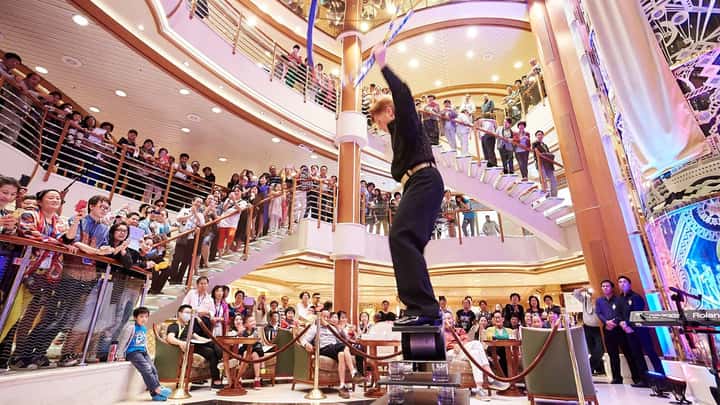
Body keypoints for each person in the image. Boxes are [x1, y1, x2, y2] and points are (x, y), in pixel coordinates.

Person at [369, 45, 444, 327]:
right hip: (418, 184)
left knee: (400, 236)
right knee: (408, 241)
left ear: (389, 111)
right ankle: (422, 307)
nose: (378, 126)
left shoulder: (406, 123)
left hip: (424, 180)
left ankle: (422, 307)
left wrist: (383, 65)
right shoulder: (398, 134)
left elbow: (403, 94)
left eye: (378, 120)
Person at [299, 310, 364, 399]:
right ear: (319, 317)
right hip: (324, 348)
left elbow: (340, 341)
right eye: (324, 316)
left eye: (327, 317)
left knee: (341, 354)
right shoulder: (315, 327)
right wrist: (306, 344)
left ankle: (342, 386)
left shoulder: (332, 328)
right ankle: (353, 372)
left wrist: (340, 330)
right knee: (344, 347)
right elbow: (303, 339)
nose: (325, 319)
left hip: (334, 348)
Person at [443, 312, 510, 393]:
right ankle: (491, 377)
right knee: (476, 343)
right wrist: (454, 346)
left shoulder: (460, 330)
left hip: (463, 350)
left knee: (475, 353)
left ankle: (479, 387)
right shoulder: (441, 332)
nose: (447, 320)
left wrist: (460, 345)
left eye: (449, 318)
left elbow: (466, 340)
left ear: (453, 320)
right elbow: (444, 344)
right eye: (445, 319)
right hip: (451, 353)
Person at [617, 275, 665, 386]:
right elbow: (618, 314)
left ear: (629, 284)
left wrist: (628, 324)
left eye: (624, 281)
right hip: (628, 332)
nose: (622, 284)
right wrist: (622, 324)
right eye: (620, 282)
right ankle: (644, 380)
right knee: (637, 355)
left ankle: (662, 381)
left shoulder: (636, 297)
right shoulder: (620, 299)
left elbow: (638, 313)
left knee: (651, 353)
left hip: (640, 330)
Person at [166, 305, 224, 388]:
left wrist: (209, 340)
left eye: (190, 313)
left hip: (195, 345)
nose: (189, 315)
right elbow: (170, 338)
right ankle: (223, 356)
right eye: (187, 313)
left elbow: (197, 337)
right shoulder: (174, 326)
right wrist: (180, 343)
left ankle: (216, 379)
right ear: (179, 313)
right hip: (186, 348)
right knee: (214, 349)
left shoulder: (187, 327)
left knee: (211, 351)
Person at [124, 307, 172, 401]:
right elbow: (123, 341)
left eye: (146, 317)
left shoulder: (144, 328)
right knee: (147, 369)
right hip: (133, 352)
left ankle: (155, 395)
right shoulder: (131, 328)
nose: (144, 319)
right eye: (141, 316)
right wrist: (119, 355)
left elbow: (144, 342)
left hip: (143, 352)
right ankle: (157, 389)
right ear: (135, 317)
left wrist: (148, 353)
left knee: (153, 369)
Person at [596, 279, 638, 384]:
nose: (605, 288)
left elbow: (621, 313)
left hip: (619, 328)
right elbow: (599, 313)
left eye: (607, 286)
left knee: (628, 353)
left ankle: (636, 377)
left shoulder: (619, 299)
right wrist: (606, 322)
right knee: (612, 354)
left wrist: (614, 322)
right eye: (603, 286)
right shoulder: (599, 300)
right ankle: (617, 378)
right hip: (607, 329)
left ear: (612, 288)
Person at [573, 286, 605, 376]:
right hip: (587, 327)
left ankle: (588, 368)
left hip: (598, 328)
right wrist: (584, 288)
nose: (591, 294)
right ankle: (600, 368)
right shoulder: (585, 300)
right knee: (592, 349)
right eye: (590, 292)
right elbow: (575, 293)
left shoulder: (600, 301)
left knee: (599, 349)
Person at [532, 130, 558, 197]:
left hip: (548, 164)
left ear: (543, 136)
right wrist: (544, 154)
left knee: (553, 179)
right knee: (543, 179)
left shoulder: (545, 145)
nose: (540, 136)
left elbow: (548, 153)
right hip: (541, 163)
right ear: (536, 136)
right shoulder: (535, 144)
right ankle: (547, 196)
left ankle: (554, 195)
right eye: (538, 135)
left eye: (541, 134)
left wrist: (548, 154)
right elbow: (536, 153)